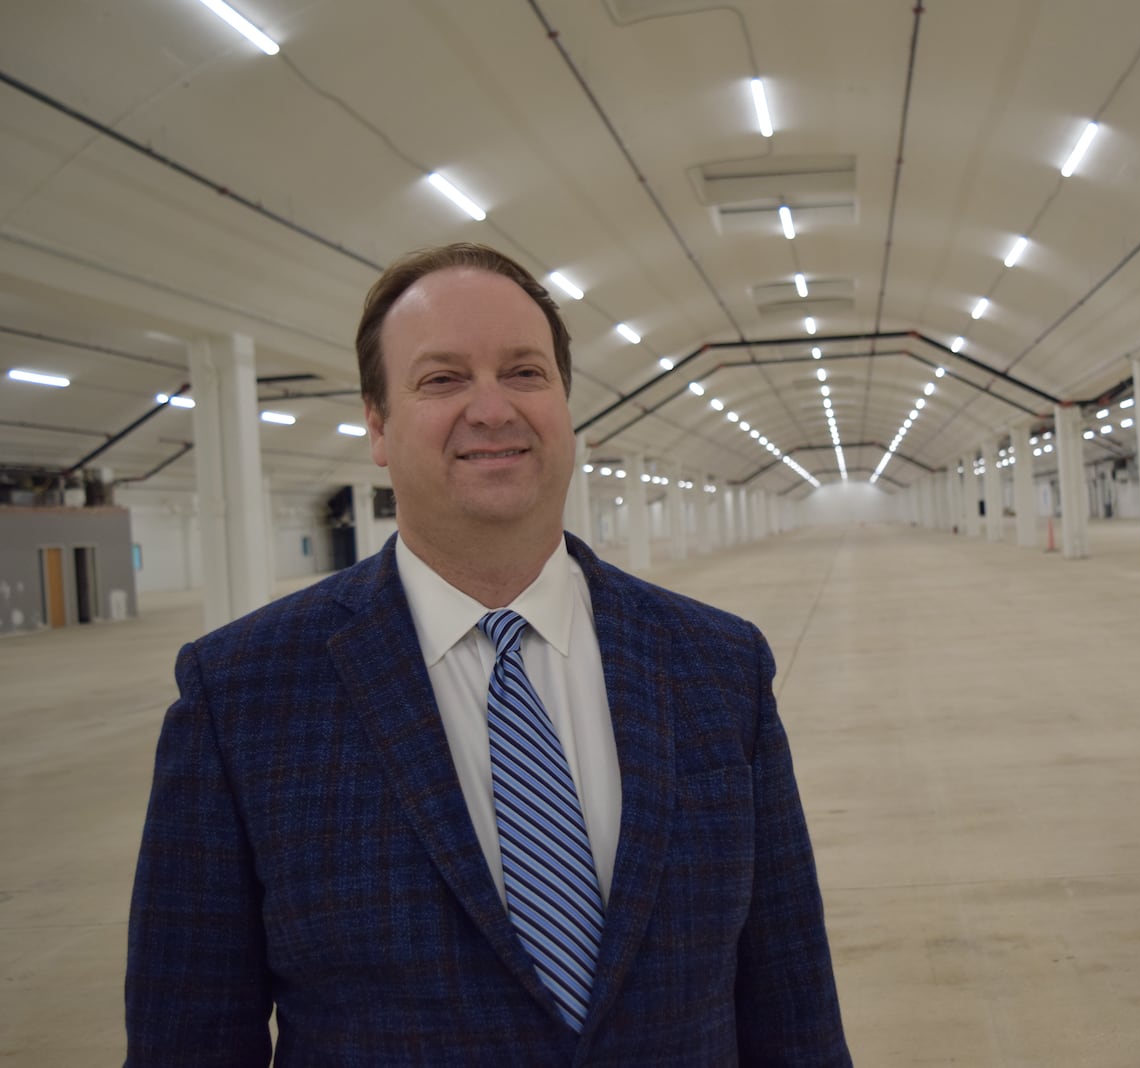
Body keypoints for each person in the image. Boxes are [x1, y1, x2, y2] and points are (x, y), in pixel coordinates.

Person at [125, 243, 851, 1066]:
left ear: (566, 405)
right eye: (441, 380)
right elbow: (186, 1041)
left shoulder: (721, 666)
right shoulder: (241, 696)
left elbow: (793, 1009)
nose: (493, 408)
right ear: (376, 425)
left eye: (525, 372)